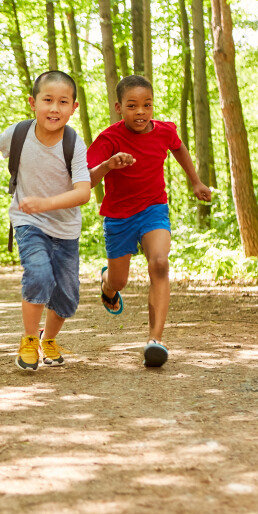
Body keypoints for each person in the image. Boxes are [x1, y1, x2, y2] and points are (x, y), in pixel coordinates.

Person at [0, 70, 92, 371]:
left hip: (66, 229)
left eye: (63, 102)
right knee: (39, 274)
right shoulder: (18, 133)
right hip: (27, 222)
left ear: (73, 108)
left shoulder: (74, 144)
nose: (54, 108)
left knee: (67, 297)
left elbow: (83, 193)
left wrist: (46, 203)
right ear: (33, 103)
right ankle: (30, 340)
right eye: (47, 100)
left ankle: (49, 340)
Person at [87, 74, 212, 368]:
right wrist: (107, 165)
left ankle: (155, 341)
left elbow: (178, 147)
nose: (140, 111)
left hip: (154, 208)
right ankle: (107, 285)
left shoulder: (165, 131)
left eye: (147, 105)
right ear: (119, 107)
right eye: (132, 106)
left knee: (159, 263)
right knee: (120, 281)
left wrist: (195, 182)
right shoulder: (109, 138)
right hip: (118, 216)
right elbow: (87, 179)